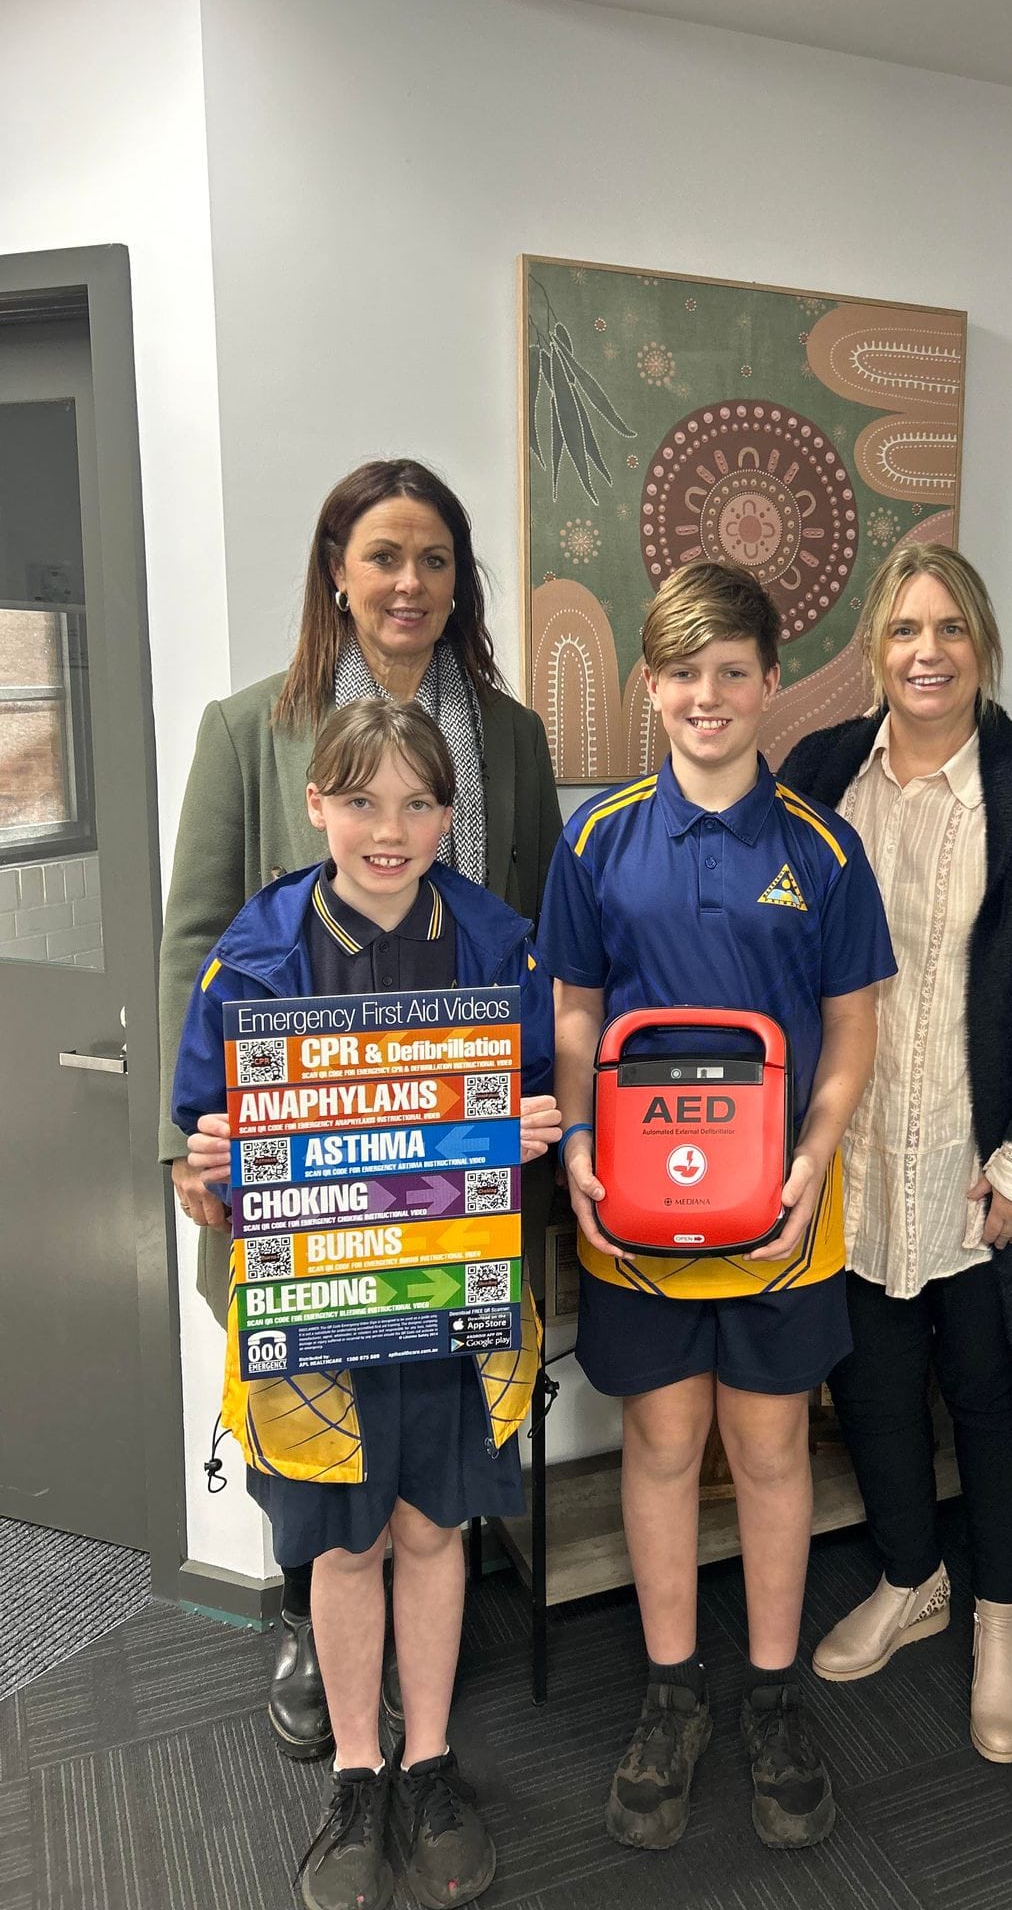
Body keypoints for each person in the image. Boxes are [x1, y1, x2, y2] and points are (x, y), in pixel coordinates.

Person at [158, 458, 562, 1759]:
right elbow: (196, 947)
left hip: (449, 1186)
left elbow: (536, 938)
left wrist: (536, 1112)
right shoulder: (248, 728)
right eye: (383, 554)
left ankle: (424, 1657)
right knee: (311, 1436)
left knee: (439, 1439)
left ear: (459, 584)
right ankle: (311, 1626)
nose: (408, 582)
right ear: (338, 569)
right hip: (297, 1186)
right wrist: (194, 1142)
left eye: (434, 559)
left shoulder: (507, 735)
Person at [539, 561, 896, 1852]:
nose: (708, 696)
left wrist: (819, 1151)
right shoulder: (597, 839)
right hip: (632, 1213)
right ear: (651, 683)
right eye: (684, 672)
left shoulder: (820, 847)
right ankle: (673, 1689)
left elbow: (853, 1031)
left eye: (732, 672)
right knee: (662, 1448)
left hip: (784, 1214)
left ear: (772, 684)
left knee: (773, 1452)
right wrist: (576, 1134)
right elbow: (574, 1006)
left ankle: (773, 1691)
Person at [778, 544, 1012, 1763]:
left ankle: (1000, 1617)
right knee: (867, 1385)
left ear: (983, 646)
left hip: (982, 1161)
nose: (928, 652)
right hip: (854, 1153)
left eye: (952, 629)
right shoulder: (819, 773)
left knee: (991, 1391)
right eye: (907, 629)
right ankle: (914, 1577)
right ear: (877, 649)